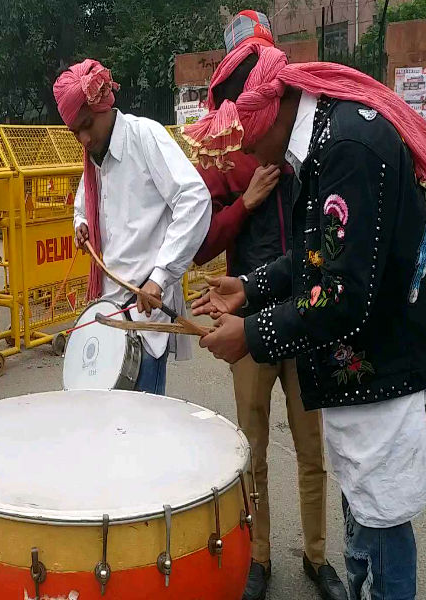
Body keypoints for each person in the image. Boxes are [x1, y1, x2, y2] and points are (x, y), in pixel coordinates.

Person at [186, 40, 426, 600]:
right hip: (365, 370)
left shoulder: (346, 146)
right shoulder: (326, 138)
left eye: (244, 134)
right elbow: (320, 254)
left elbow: (339, 292)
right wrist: (249, 285)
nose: (244, 147)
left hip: (382, 372)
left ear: (271, 111)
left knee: (383, 528)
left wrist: (251, 333)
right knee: (367, 515)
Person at [193, 12, 340, 600]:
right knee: (251, 448)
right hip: (248, 318)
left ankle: (316, 557)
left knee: (312, 448)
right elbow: (204, 241)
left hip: (305, 313)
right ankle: (257, 557)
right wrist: (248, 202)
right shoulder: (228, 150)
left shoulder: (307, 140)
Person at [54, 59, 211, 394]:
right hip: (110, 308)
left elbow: (194, 198)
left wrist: (160, 277)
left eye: (86, 125)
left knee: (141, 430)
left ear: (104, 107)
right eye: (74, 132)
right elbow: (84, 201)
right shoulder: (94, 157)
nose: (82, 138)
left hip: (145, 309)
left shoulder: (145, 136)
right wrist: (81, 222)